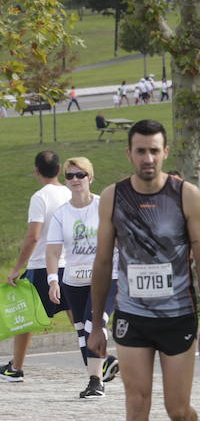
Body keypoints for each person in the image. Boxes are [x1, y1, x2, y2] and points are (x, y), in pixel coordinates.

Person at [87, 120, 200, 421]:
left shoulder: (185, 196)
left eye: (154, 151)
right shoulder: (113, 197)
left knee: (178, 409)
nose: (147, 158)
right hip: (131, 316)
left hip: (177, 315)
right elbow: (103, 260)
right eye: (140, 151)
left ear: (165, 153)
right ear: (129, 154)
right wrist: (97, 323)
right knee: (135, 403)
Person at [44, 157, 115, 397]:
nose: (75, 180)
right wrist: (53, 279)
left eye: (80, 175)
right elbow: (53, 250)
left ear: (90, 178)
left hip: (105, 277)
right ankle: (98, 374)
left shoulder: (103, 205)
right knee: (82, 333)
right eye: (70, 176)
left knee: (93, 325)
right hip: (73, 280)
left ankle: (96, 381)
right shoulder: (61, 214)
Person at [2, 150, 71, 382]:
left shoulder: (40, 197)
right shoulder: (71, 193)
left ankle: (16, 368)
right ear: (59, 169)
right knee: (79, 317)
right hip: (69, 264)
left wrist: (16, 268)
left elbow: (33, 237)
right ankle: (100, 360)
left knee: (26, 317)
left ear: (36, 171)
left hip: (43, 265)